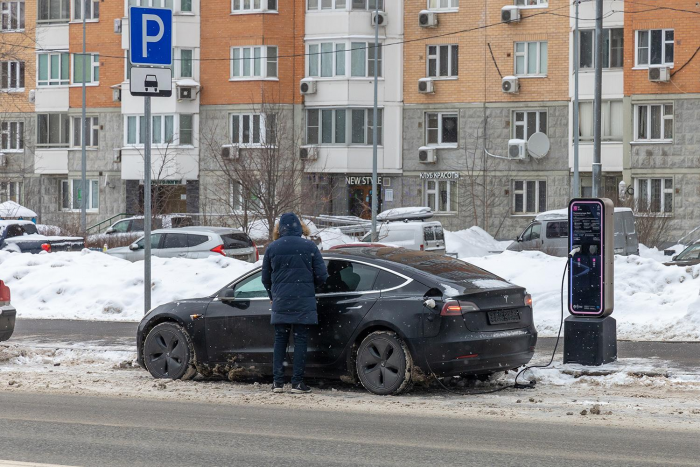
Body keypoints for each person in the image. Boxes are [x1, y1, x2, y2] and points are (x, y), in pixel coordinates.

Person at [262, 213, 328, 394]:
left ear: (279, 228)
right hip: (303, 300)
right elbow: (322, 276)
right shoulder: (309, 246)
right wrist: (309, 287)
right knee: (300, 340)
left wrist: (272, 294)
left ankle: (277, 382)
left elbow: (265, 278)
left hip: (281, 300)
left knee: (280, 340)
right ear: (300, 227)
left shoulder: (272, 248)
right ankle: (297, 383)